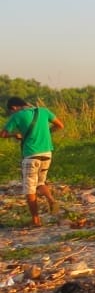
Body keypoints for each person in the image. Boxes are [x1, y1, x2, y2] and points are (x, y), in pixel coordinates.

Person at [2, 97, 64, 226]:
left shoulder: (17, 116)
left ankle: (36, 220)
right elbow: (60, 125)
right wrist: (47, 132)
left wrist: (15, 135)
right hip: (47, 153)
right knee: (40, 182)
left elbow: (2, 134)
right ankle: (51, 200)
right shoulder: (43, 111)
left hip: (31, 155)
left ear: (13, 108)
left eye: (11, 111)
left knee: (30, 189)